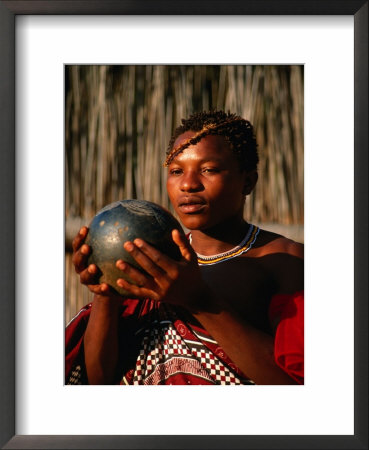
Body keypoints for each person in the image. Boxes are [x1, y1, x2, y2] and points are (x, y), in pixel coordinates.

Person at [66, 110, 304, 385]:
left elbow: (299, 390)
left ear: (248, 181)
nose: (188, 184)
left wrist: (200, 301)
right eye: (176, 171)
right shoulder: (149, 260)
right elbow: (99, 381)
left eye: (209, 170)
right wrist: (106, 290)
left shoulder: (287, 261)